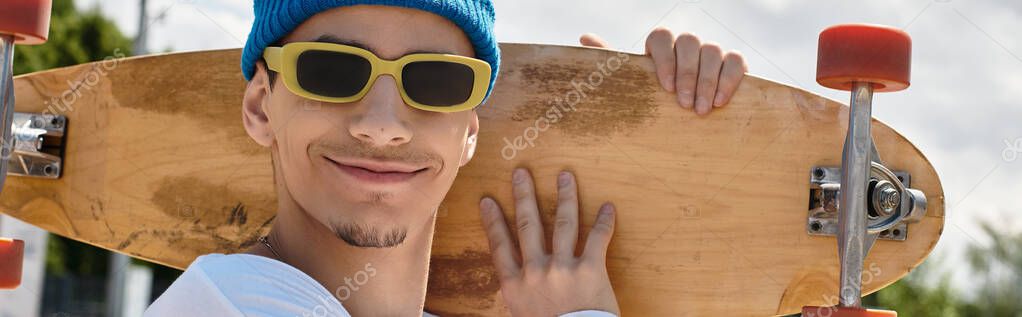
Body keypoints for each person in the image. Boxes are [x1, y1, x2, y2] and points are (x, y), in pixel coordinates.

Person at [144, 1, 747, 316]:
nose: (382, 126)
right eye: (331, 70)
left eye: (435, 82)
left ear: (470, 133)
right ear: (258, 106)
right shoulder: (232, 304)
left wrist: (648, 138)